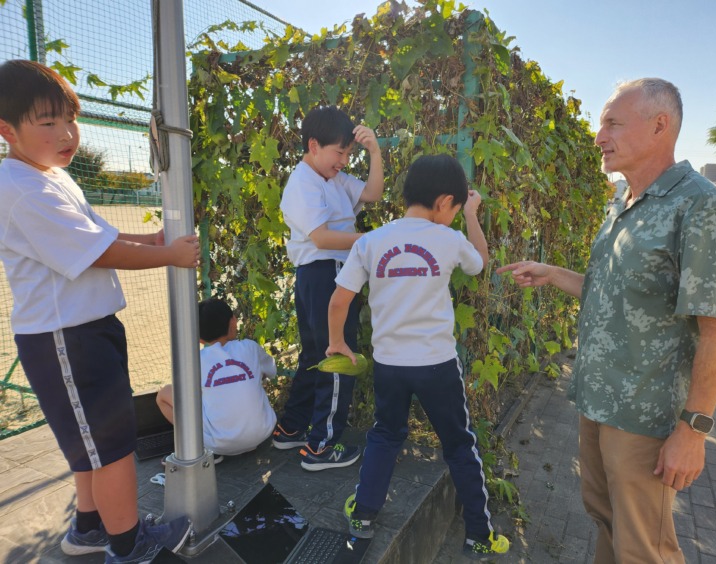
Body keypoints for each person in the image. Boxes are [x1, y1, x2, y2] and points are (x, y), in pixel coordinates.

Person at [498, 78, 716, 563]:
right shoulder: (623, 201)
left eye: (612, 122)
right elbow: (606, 287)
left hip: (645, 417)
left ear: (660, 126)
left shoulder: (700, 206)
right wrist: (551, 274)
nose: (598, 136)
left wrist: (692, 432)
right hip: (598, 401)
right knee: (606, 520)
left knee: (644, 548)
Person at [0, 59, 197, 563]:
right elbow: (100, 253)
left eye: (71, 118)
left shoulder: (48, 175)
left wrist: (148, 239)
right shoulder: (22, 190)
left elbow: (99, 235)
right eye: (48, 123)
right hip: (66, 339)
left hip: (83, 332)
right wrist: (167, 255)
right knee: (111, 449)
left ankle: (88, 529)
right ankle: (129, 547)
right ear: (8, 131)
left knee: (94, 446)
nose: (68, 133)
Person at [327, 154, 509, 561]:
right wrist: (473, 217)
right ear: (445, 202)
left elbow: (340, 299)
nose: (456, 215)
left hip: (390, 366)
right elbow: (479, 264)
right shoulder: (449, 239)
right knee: (460, 446)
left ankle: (363, 516)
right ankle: (480, 534)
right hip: (437, 366)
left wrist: (337, 342)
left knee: (385, 436)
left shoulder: (371, 241)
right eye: (457, 209)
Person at [273, 105, 384, 471]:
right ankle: (321, 446)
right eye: (340, 153)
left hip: (325, 274)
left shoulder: (333, 179)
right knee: (338, 356)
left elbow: (372, 194)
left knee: (314, 355)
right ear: (314, 145)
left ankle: (291, 429)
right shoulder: (302, 182)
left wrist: (375, 152)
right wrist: (371, 240)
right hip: (324, 274)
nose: (343, 161)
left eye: (349, 154)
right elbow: (321, 238)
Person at [156, 298, 277, 460]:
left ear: (197, 337)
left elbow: (186, 394)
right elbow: (271, 371)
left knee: (164, 394)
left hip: (217, 444)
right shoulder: (250, 347)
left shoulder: (194, 360)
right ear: (233, 322)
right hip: (262, 433)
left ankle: (196, 449)